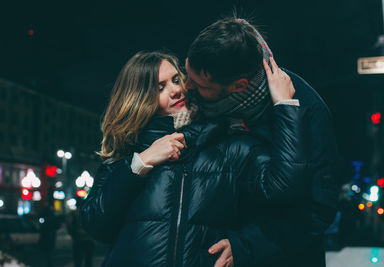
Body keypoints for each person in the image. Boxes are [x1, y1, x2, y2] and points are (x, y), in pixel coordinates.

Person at [80, 50, 307, 266]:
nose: (175, 90)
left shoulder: (226, 145)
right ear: (138, 99)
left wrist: (285, 106)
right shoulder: (127, 155)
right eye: (160, 87)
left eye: (176, 80)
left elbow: (287, 190)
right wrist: (141, 162)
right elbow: (96, 226)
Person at [184, 17, 339, 266]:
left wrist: (246, 245)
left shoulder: (303, 108)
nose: (186, 86)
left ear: (239, 85)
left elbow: (319, 207)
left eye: (199, 84)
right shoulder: (197, 103)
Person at [66, 197, 95, 267]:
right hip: (89, 239)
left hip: (78, 240)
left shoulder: (72, 214)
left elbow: (69, 226)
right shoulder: (89, 212)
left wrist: (74, 234)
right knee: (88, 261)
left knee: (78, 261)